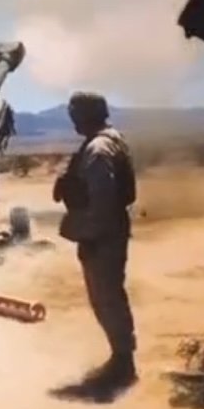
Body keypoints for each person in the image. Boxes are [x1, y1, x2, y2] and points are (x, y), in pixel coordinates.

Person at [53, 91, 137, 391]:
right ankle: (121, 358)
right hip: (106, 230)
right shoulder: (106, 140)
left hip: (102, 234)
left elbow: (102, 200)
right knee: (108, 295)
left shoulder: (99, 148)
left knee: (107, 297)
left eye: (75, 113)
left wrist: (90, 235)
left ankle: (123, 362)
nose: (72, 119)